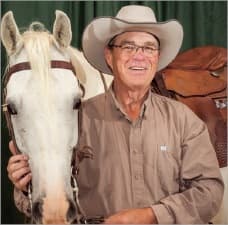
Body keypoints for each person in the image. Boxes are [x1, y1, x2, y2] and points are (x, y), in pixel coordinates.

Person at [7, 5, 224, 224]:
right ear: (109, 56)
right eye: (128, 46)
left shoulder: (184, 120)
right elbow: (49, 202)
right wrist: (24, 186)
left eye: (149, 48)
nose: (139, 56)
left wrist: (151, 216)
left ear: (156, 58)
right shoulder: (78, 119)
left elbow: (210, 192)